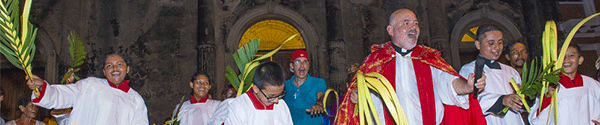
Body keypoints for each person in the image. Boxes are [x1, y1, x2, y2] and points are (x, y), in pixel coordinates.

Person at [336, 8, 486, 125]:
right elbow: (357, 97)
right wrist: (356, 95)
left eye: (416, 23)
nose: (413, 27)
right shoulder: (375, 61)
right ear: (390, 30)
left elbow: (448, 83)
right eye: (406, 23)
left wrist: (467, 85)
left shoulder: (429, 58)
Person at [25, 52, 148, 125]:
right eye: (109, 65)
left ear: (127, 69)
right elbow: (64, 94)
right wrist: (42, 87)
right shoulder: (90, 85)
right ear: (104, 71)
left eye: (119, 64)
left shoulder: (136, 100)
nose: (115, 68)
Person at [459, 25, 525, 125]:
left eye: (500, 42)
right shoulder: (469, 70)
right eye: (491, 43)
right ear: (478, 44)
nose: (497, 48)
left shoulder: (511, 71)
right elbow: (469, 101)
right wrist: (502, 100)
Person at [528, 43, 600, 125]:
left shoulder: (592, 85)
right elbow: (536, 121)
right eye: (561, 56)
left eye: (571, 55)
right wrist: (548, 98)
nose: (566, 59)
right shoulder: (549, 87)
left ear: (580, 60)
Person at [223, 61, 293, 124]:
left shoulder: (281, 105)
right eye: (271, 96)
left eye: (280, 95)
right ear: (256, 89)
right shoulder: (238, 106)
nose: (276, 100)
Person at [283, 50, 327, 125]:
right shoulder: (285, 85)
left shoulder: (318, 82)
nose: (302, 65)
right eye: (298, 62)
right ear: (291, 66)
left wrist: (319, 104)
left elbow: (322, 96)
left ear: (309, 65)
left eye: (305, 61)